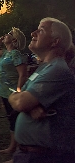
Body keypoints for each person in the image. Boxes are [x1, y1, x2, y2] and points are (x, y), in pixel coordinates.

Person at [8, 18, 75, 162]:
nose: (33, 33)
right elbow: (20, 96)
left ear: (55, 42)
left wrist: (24, 102)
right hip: (29, 153)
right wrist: (30, 106)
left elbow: (20, 102)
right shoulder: (45, 67)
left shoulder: (58, 69)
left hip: (43, 156)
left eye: (41, 30)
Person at [0, 27, 27, 155]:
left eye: (10, 34)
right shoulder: (6, 53)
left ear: (14, 39)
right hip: (4, 92)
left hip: (11, 92)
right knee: (11, 118)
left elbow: (22, 74)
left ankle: (14, 148)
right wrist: (0, 40)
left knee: (14, 119)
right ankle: (14, 146)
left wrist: (18, 91)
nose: (6, 34)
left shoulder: (15, 54)